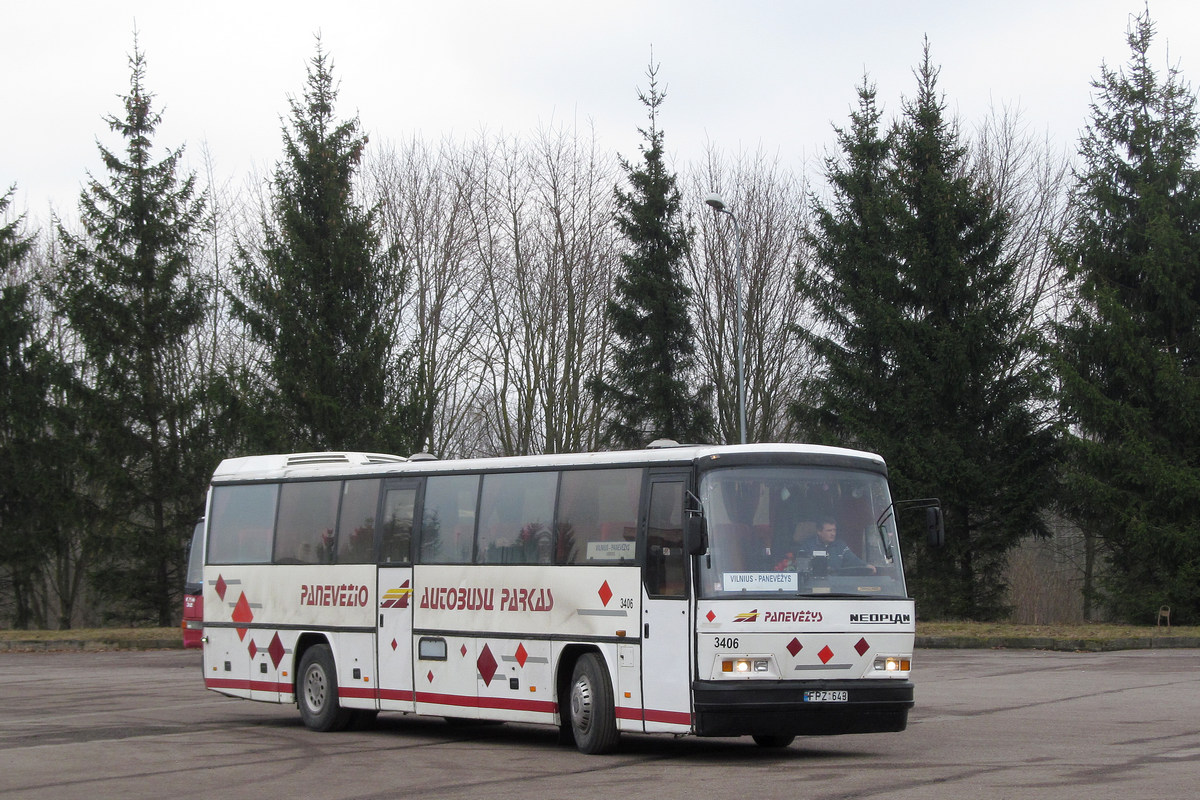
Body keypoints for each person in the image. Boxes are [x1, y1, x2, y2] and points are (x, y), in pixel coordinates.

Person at [797, 517, 875, 574]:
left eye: (834, 530)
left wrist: (867, 566)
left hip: (837, 587)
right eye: (829, 530)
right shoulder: (807, 546)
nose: (833, 533)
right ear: (819, 532)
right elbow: (802, 568)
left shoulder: (841, 546)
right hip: (813, 586)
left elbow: (854, 560)